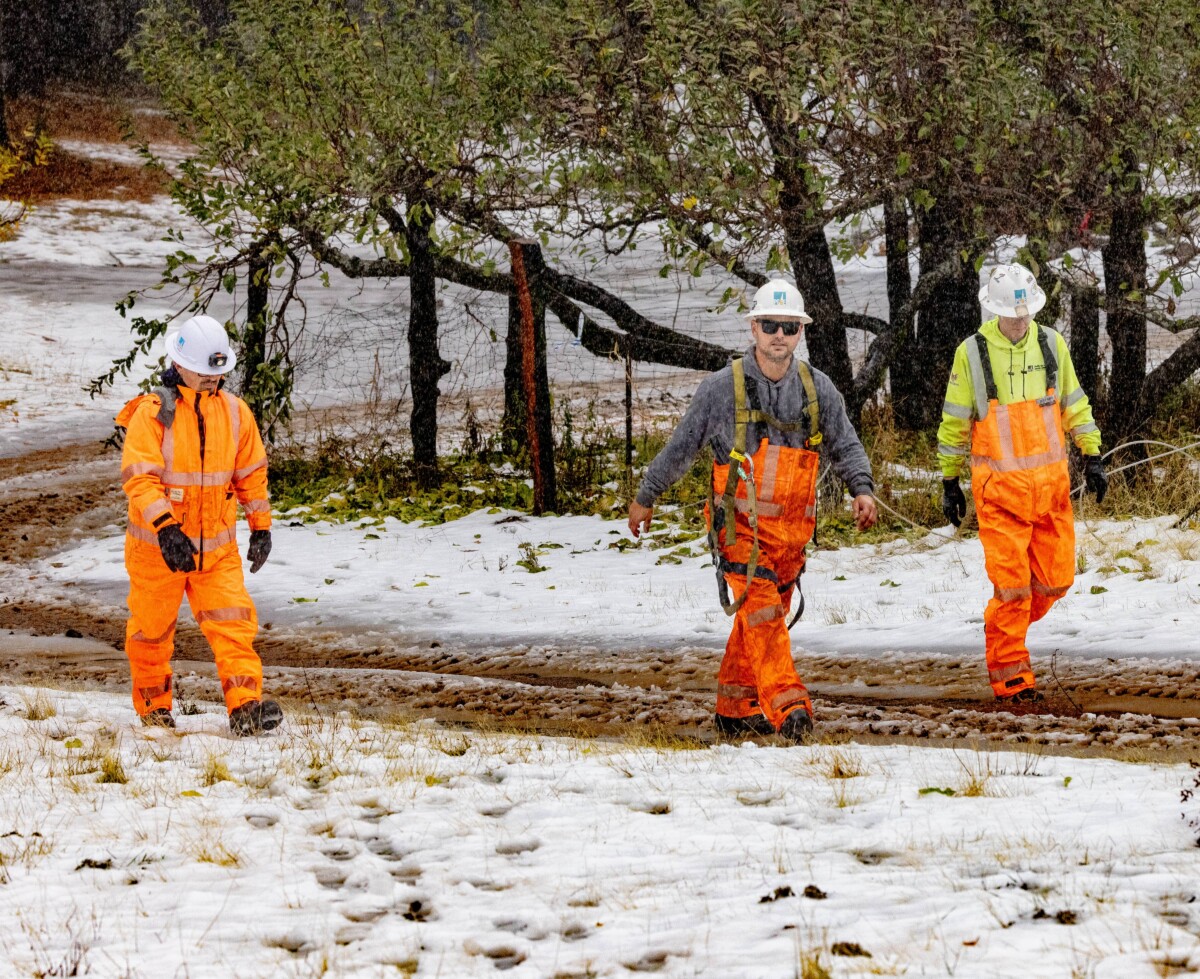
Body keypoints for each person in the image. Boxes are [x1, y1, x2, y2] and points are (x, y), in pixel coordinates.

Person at [627, 279, 877, 743]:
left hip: (792, 538)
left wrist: (861, 489)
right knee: (761, 614)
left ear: (800, 332)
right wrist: (647, 496)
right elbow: (681, 447)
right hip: (739, 530)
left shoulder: (818, 389)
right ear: (753, 328)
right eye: (769, 325)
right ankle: (790, 707)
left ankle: (736, 707)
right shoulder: (722, 389)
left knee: (758, 620)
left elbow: (845, 444)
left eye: (788, 327)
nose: (778, 335)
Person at [937, 263, 1106, 704]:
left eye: (1027, 312)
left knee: (1056, 580)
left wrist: (1092, 454)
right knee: (1012, 590)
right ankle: (1012, 677)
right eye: (1013, 314)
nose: (1021, 320)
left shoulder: (1052, 344)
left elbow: (1075, 403)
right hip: (1000, 500)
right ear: (993, 310)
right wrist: (949, 480)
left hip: (1052, 495)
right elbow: (954, 422)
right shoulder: (970, 354)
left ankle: (1001, 628)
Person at [115, 315, 283, 736]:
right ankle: (154, 709)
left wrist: (260, 527)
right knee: (151, 633)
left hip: (217, 549)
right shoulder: (152, 414)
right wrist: (166, 527)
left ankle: (245, 706)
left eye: (219, 372)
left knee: (234, 625)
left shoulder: (235, 412)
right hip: (158, 549)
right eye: (207, 373)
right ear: (180, 364)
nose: (214, 380)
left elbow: (251, 474)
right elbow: (140, 478)